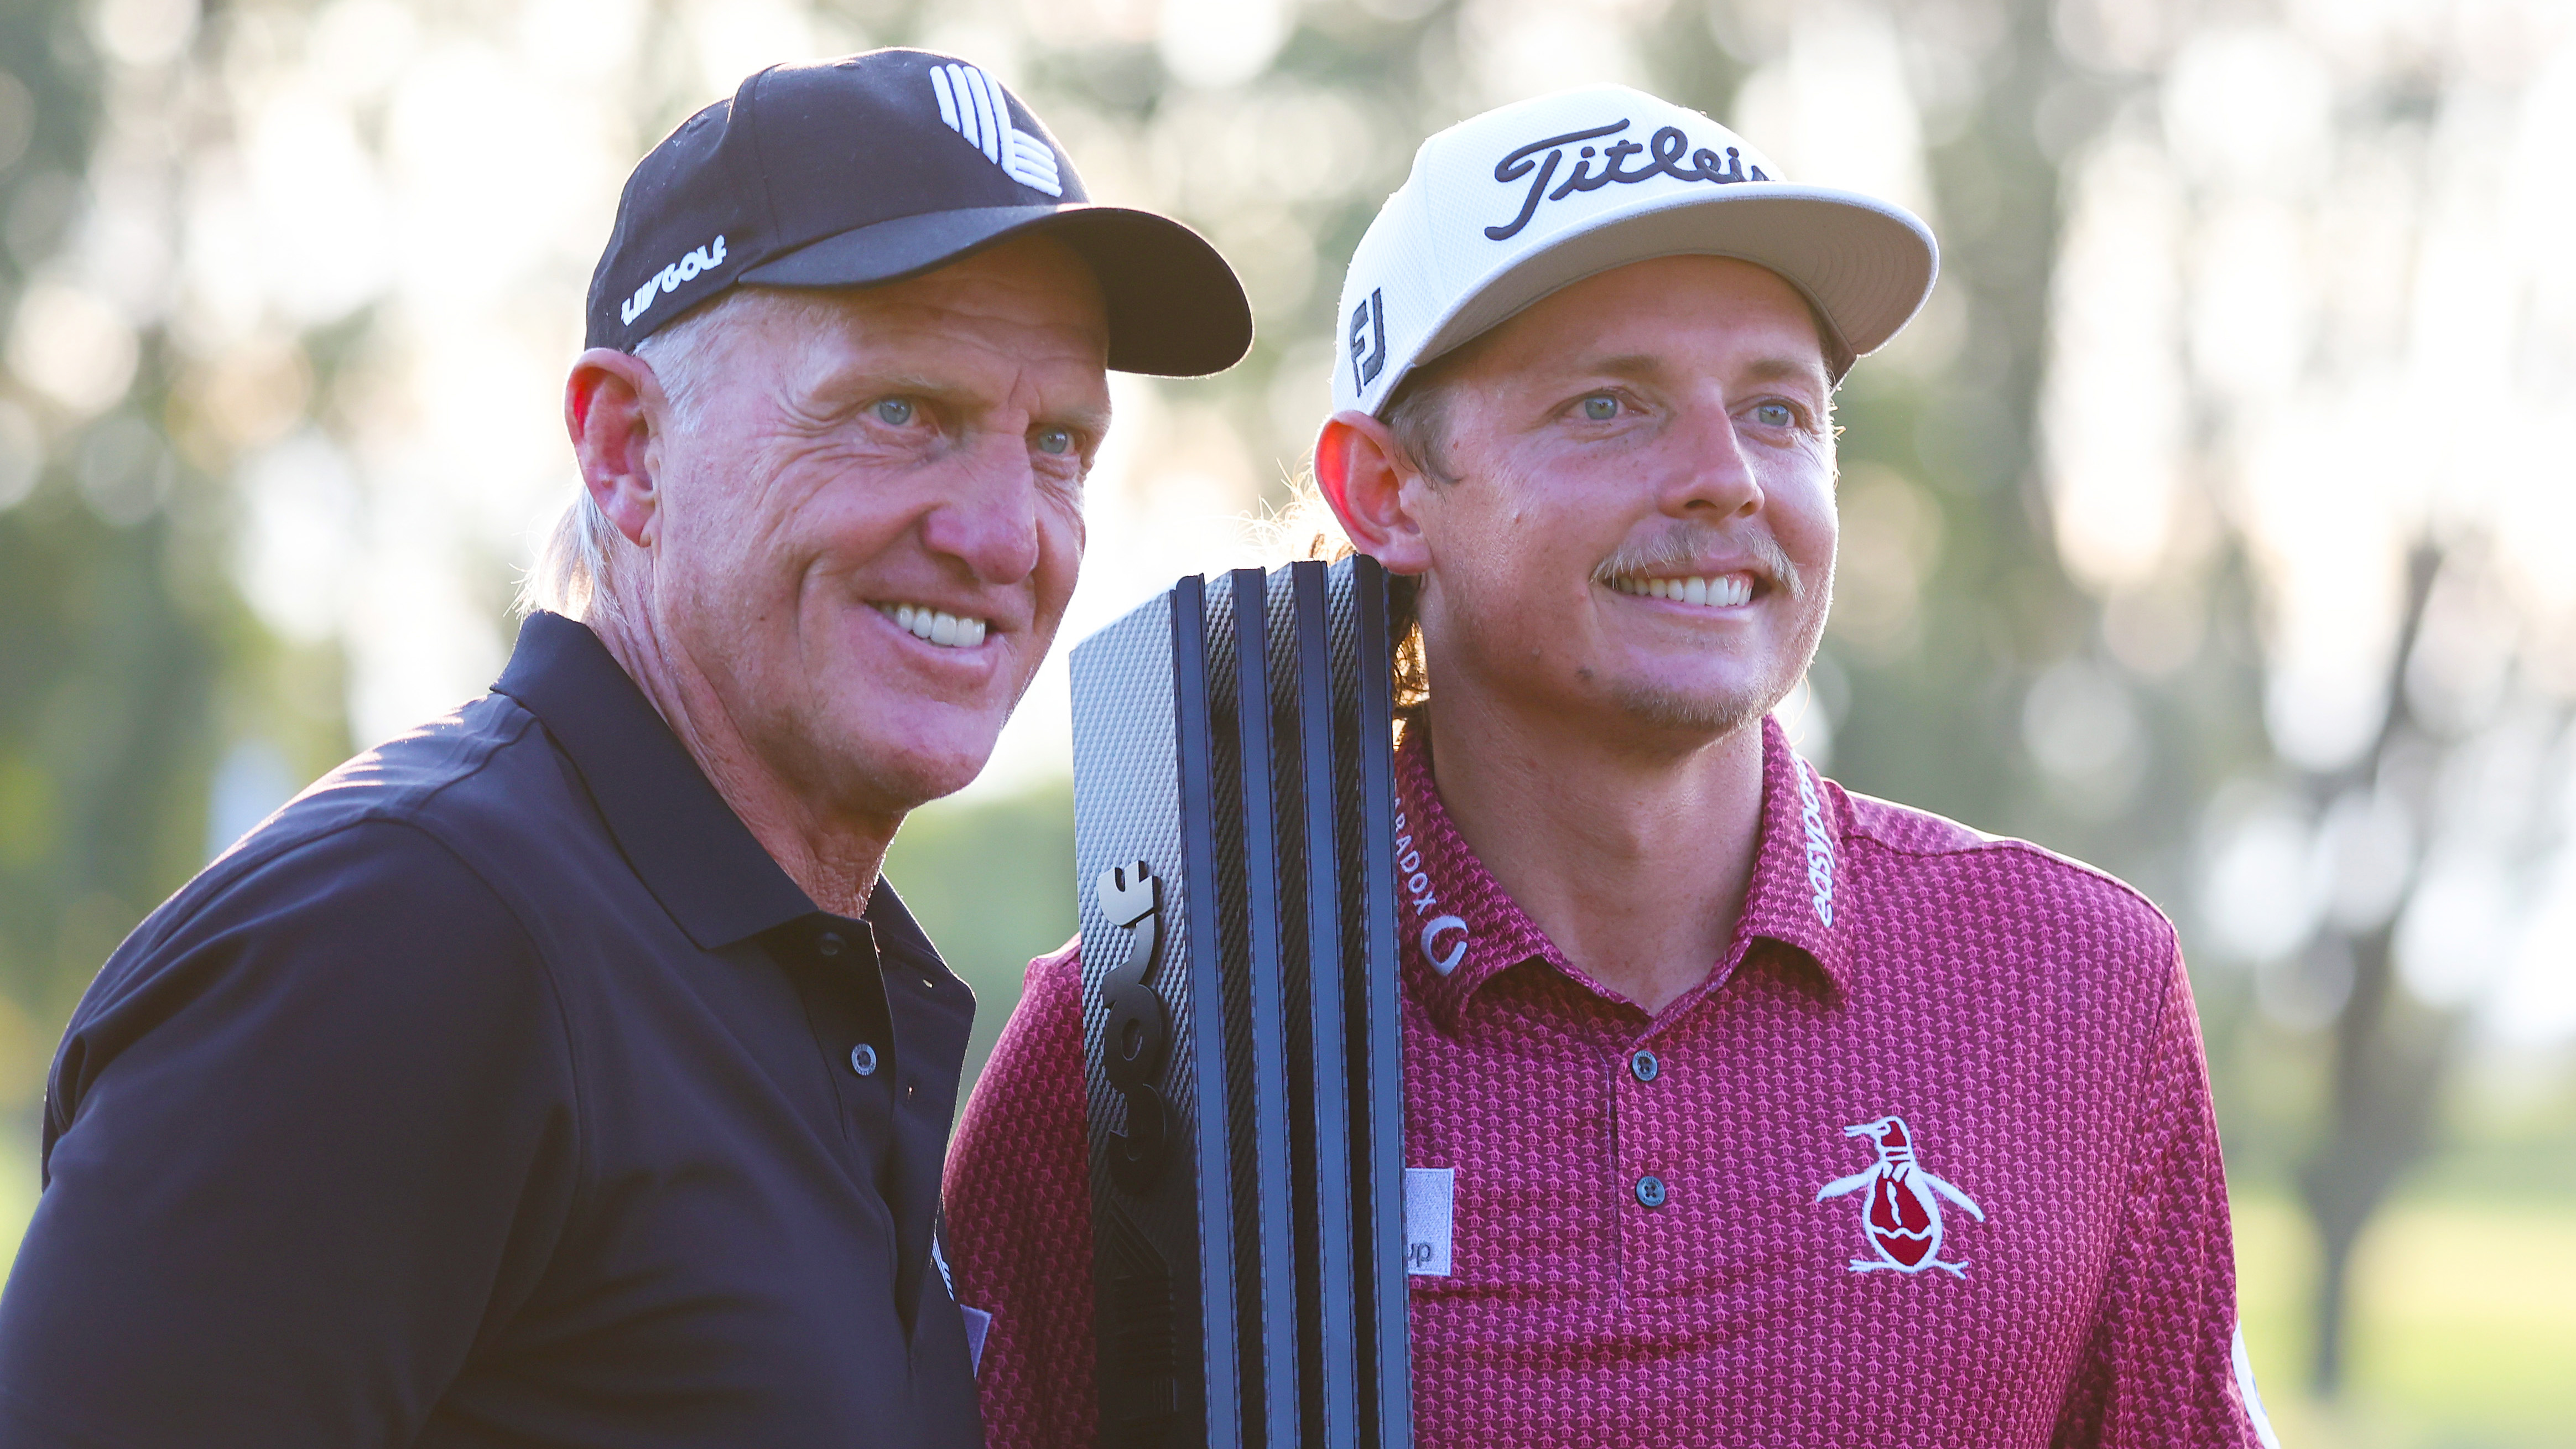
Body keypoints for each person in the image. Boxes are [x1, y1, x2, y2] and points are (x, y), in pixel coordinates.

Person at [943, 85, 2281, 1447]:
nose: (1725, 478)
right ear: (1386, 491)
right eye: (1608, 404)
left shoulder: (2079, 983)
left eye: (1777, 411)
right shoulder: (1153, 1027)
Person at [0, 49, 1247, 1448]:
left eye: (1059, 442)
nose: (1005, 532)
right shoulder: (405, 936)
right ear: (628, 452)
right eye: (903, 411)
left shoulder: (800, 977)